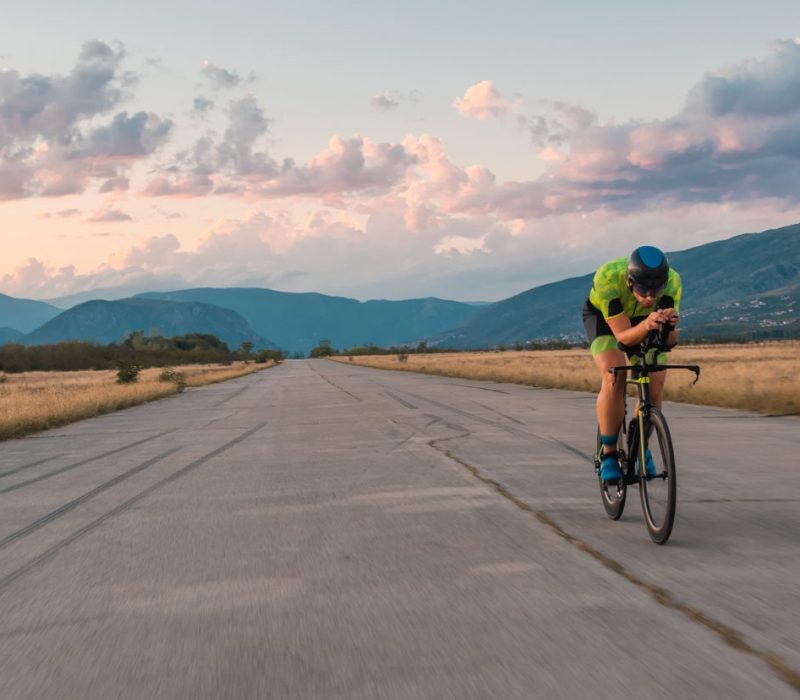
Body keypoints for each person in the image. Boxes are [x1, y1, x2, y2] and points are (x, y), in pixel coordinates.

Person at [582, 246, 681, 483]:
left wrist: (670, 327)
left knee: (655, 385)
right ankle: (609, 454)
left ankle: (640, 446)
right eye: (641, 289)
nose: (649, 296)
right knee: (613, 376)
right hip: (606, 321)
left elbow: (670, 343)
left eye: (655, 290)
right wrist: (648, 325)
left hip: (647, 321)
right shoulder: (608, 277)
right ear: (629, 281)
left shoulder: (673, 282)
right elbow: (623, 338)